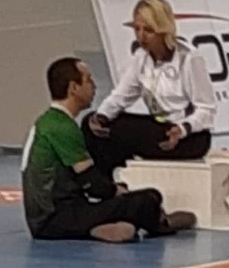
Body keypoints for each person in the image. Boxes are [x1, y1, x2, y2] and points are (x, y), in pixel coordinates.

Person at [20, 57, 196, 243]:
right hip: (55, 219)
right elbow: (90, 181)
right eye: (88, 80)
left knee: (118, 196)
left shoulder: (50, 122)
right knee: (148, 198)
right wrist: (116, 191)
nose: (94, 86)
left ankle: (99, 227)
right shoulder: (61, 127)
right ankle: (160, 222)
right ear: (74, 88)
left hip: (52, 214)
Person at [83, 0, 217, 177]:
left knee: (128, 133)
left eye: (148, 30)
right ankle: (108, 182)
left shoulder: (188, 58)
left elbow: (207, 110)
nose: (141, 36)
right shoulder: (141, 57)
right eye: (137, 29)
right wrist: (101, 116)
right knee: (92, 124)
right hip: (160, 126)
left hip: (188, 136)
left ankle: (111, 179)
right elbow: (121, 96)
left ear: (162, 30)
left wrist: (183, 128)